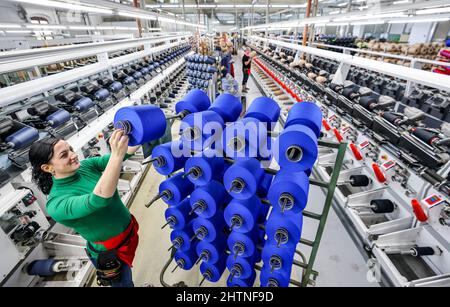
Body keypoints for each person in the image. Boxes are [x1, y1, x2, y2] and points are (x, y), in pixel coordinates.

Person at [29, 130, 140, 287]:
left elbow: (124, 154)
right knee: (124, 284)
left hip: (128, 235)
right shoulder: (57, 204)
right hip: (112, 253)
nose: (73, 155)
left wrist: (141, 132)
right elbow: (99, 199)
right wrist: (116, 154)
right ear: (47, 168)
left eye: (71, 149)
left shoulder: (86, 166)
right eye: (64, 155)